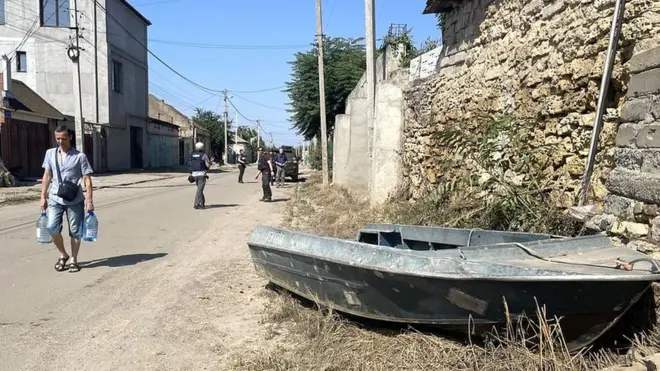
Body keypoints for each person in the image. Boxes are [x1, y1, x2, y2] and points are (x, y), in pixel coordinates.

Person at [40, 124, 94, 273]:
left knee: (75, 231)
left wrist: (89, 200)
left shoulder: (79, 156)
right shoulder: (50, 154)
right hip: (55, 198)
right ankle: (63, 254)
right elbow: (47, 176)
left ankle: (74, 260)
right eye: (57, 138)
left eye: (63, 138)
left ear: (70, 137)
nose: (60, 141)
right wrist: (42, 196)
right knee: (51, 227)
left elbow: (87, 179)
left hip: (75, 199)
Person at [189, 142, 210, 209]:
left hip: (194, 174)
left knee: (199, 189)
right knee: (199, 190)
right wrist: (208, 166)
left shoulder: (192, 154)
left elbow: (190, 164)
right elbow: (207, 165)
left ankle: (202, 204)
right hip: (202, 174)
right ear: (202, 147)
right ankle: (196, 204)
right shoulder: (204, 155)